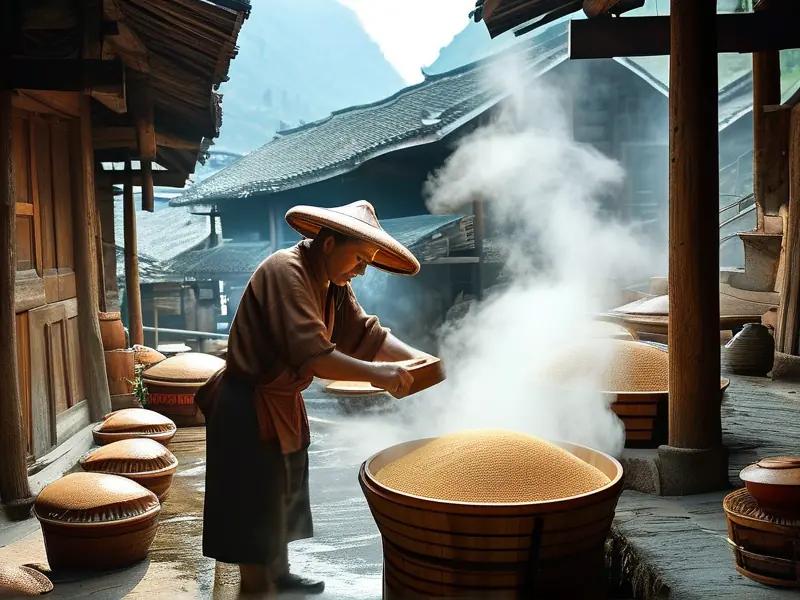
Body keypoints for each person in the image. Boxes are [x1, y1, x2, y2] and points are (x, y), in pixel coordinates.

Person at [195, 200, 429, 596]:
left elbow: (367, 334)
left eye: (368, 263)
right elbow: (315, 356)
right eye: (359, 258)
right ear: (329, 244)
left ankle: (280, 575)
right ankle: (257, 589)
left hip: (283, 401)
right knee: (253, 505)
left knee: (282, 494)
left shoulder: (333, 283)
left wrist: (418, 360)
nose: (362, 270)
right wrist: (382, 375)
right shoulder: (285, 271)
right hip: (247, 404)